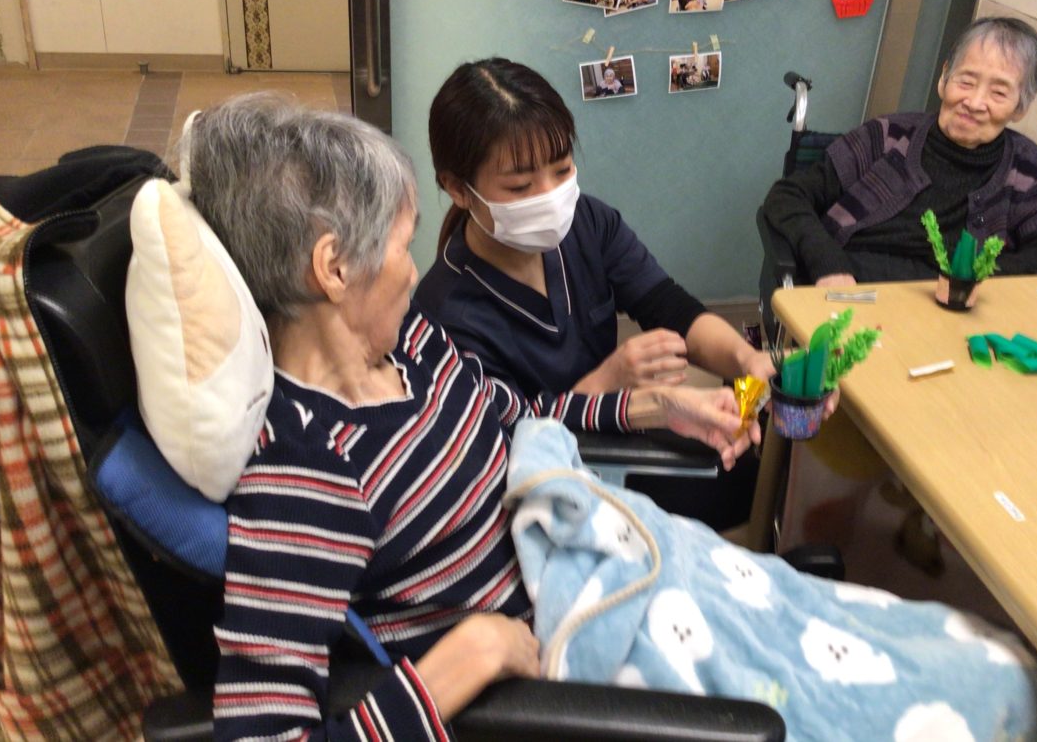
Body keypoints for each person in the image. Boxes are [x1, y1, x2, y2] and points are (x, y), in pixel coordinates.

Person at [187, 94, 760, 740]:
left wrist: (653, 406)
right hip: (570, 674)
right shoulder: (308, 469)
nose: (414, 272)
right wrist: (465, 660)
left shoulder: (414, 344)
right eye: (403, 246)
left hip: (612, 577)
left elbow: (521, 416)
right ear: (334, 268)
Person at [416, 58, 776, 431]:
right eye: (520, 187)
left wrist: (745, 360)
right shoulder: (445, 316)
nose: (550, 197)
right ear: (459, 188)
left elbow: (667, 305)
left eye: (562, 170)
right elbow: (506, 439)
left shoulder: (587, 222)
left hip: (622, 427)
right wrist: (609, 379)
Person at [762, 16, 1037, 288]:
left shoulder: (1027, 168)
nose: (975, 103)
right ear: (944, 78)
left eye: (999, 92)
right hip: (854, 290)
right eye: (966, 81)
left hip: (952, 316)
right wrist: (827, 263)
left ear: (1021, 108)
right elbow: (787, 197)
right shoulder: (887, 136)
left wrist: (972, 278)